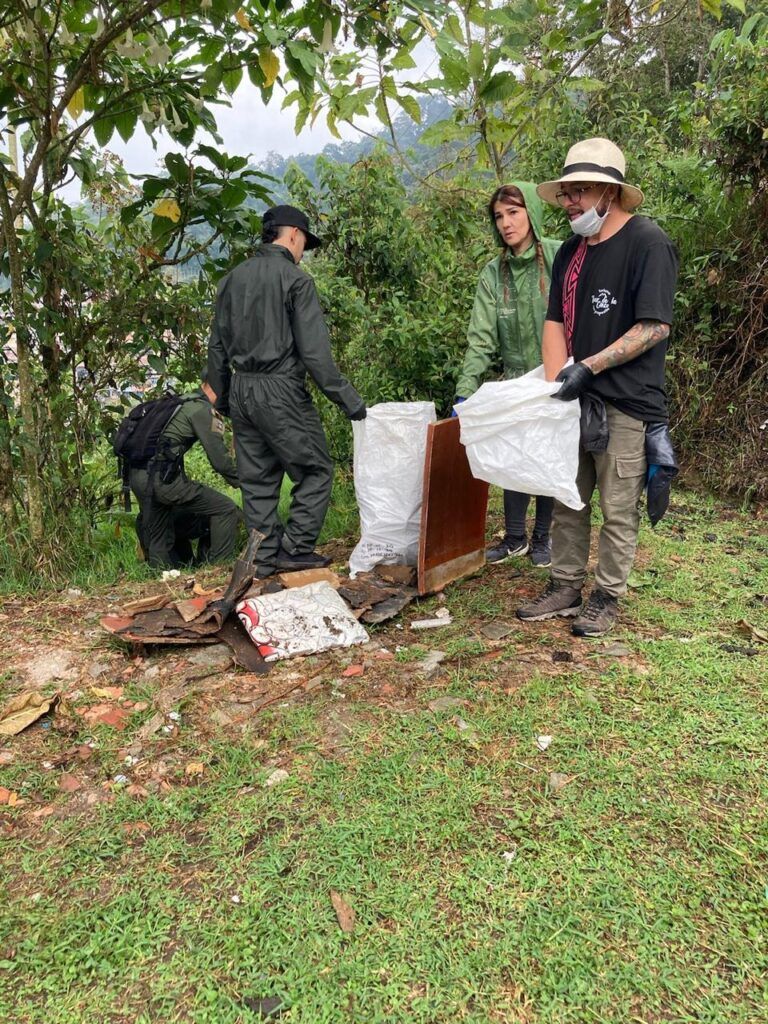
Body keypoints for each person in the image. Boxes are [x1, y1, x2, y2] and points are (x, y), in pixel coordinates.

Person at [516, 138, 679, 636]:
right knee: (569, 496)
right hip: (575, 399)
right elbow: (554, 323)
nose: (568, 203)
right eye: (565, 193)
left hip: (627, 402)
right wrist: (551, 387)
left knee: (617, 503)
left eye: (578, 192)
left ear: (608, 193)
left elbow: (654, 327)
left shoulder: (648, 243)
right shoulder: (570, 251)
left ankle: (606, 594)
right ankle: (565, 585)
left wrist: (590, 365)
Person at [206, 204, 366, 577]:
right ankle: (294, 549)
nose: (303, 251)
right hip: (280, 389)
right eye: (305, 243)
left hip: (242, 388)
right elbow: (315, 355)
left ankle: (263, 557)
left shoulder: (232, 279)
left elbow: (216, 347)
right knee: (315, 469)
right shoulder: (296, 281)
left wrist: (226, 398)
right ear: (293, 233)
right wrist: (351, 402)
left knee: (258, 480)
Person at [455, 182, 561, 567]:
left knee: (546, 459)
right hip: (516, 378)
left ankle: (542, 539)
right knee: (515, 458)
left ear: (531, 211)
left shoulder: (556, 256)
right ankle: (514, 537)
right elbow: (481, 337)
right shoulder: (492, 273)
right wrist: (465, 390)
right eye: (499, 216)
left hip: (554, 375)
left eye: (513, 212)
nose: (506, 223)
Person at [129, 379, 242, 567]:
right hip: (163, 481)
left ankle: (162, 577)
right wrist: (245, 482)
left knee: (159, 531)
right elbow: (220, 462)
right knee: (226, 509)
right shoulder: (202, 410)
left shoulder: (178, 402)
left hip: (138, 477)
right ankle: (218, 568)